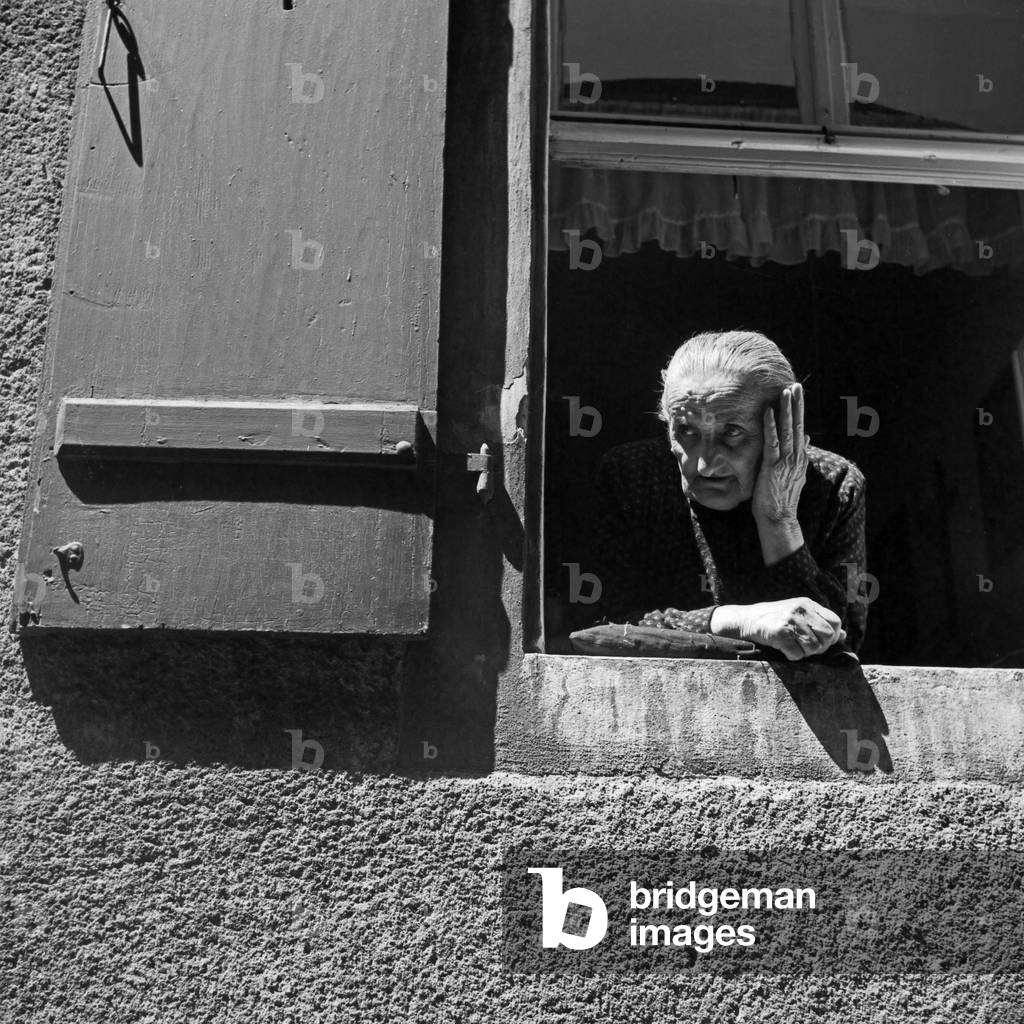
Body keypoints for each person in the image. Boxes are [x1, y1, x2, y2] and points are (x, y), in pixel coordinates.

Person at [585, 329, 868, 660]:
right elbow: (602, 628)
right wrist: (738, 621)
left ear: (783, 427)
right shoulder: (633, 475)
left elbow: (836, 643)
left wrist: (778, 518)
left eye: (731, 433)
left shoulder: (834, 484)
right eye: (686, 432)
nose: (704, 463)